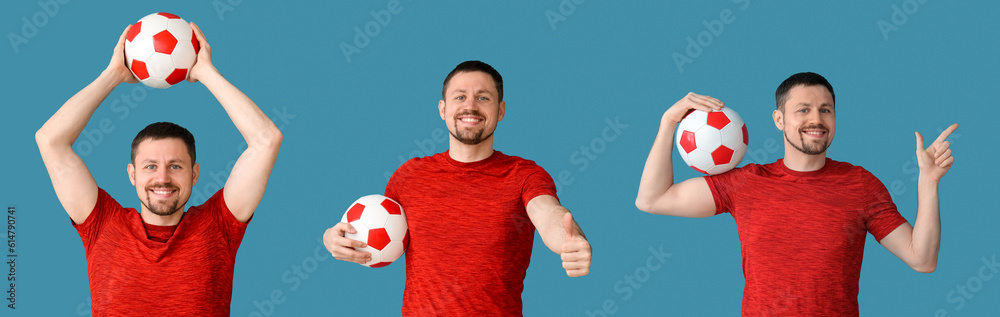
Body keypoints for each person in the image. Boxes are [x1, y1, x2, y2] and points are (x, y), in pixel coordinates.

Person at [635, 72, 957, 316]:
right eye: (803, 110)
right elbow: (652, 199)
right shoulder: (746, 183)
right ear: (779, 119)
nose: (816, 119)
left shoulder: (860, 184)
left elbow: (923, 259)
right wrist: (669, 121)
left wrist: (928, 181)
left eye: (825, 110)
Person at [35, 23, 282, 316]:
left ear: (194, 174)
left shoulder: (218, 226)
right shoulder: (103, 224)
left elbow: (267, 140)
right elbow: (50, 140)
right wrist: (112, 75)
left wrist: (206, 73)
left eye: (175, 166)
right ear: (132, 174)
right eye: (150, 166)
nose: (162, 178)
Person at [323, 60, 592, 316]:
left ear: (500, 111)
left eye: (483, 97)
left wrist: (569, 242)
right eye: (460, 97)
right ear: (442, 109)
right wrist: (332, 238)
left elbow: (548, 212)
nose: (471, 106)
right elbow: (374, 232)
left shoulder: (524, 175)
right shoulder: (409, 176)